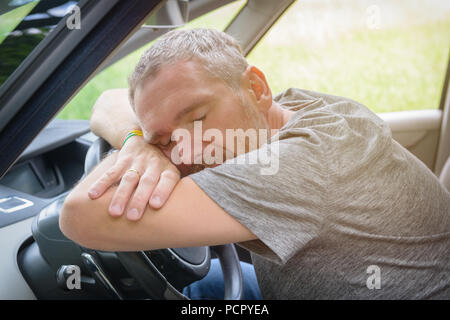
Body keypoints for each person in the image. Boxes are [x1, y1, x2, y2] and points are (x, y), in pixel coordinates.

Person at [60, 28, 450, 299]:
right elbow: (108, 100)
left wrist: (146, 144)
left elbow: (79, 217)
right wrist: (137, 144)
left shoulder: (296, 167)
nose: (188, 151)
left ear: (257, 87)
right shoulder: (295, 107)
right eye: (163, 140)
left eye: (196, 118)